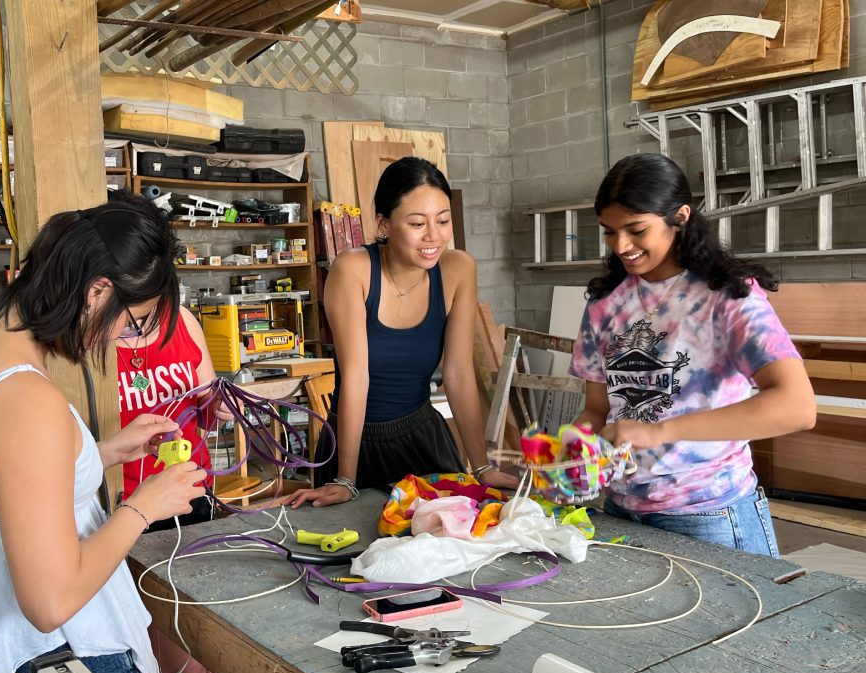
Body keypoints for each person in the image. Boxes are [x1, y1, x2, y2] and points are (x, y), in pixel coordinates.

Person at [0, 195, 208, 673]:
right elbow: (50, 601)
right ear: (97, 291)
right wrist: (143, 506)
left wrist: (99, 452)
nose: (127, 337)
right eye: (133, 319)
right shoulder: (27, 400)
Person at [570, 153, 816, 556]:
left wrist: (659, 431)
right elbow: (597, 411)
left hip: (709, 512)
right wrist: (571, 450)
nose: (622, 246)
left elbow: (798, 406)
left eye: (635, 230)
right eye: (610, 233)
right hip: (620, 509)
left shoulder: (727, 295)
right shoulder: (605, 302)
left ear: (680, 217)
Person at [287, 157, 518, 509]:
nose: (434, 236)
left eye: (442, 221)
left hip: (423, 440)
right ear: (384, 222)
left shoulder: (458, 269)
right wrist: (346, 480)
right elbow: (356, 377)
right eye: (416, 223)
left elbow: (457, 374)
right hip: (355, 444)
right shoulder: (354, 270)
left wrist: (482, 466)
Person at [116, 302, 217, 529]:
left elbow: (208, 416)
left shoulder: (181, 319)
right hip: (124, 503)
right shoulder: (86, 333)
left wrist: (221, 407)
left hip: (190, 489)